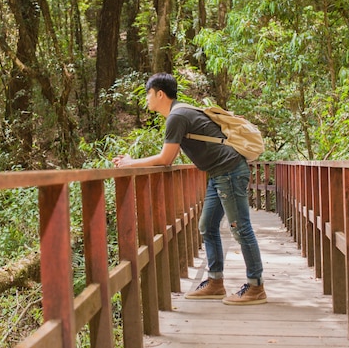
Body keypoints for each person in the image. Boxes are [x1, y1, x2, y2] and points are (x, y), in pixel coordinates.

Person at [112, 72, 266, 305]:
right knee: (207, 225)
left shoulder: (177, 116)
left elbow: (166, 159)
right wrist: (133, 161)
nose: (146, 99)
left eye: (148, 94)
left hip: (229, 172)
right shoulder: (181, 113)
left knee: (240, 227)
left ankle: (256, 287)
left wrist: (131, 163)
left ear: (160, 94)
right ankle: (215, 282)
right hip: (218, 173)